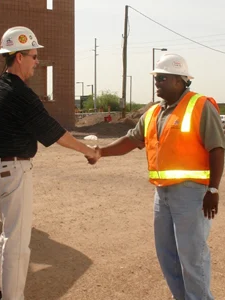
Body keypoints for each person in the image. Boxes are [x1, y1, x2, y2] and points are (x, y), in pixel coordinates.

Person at [87, 53, 225, 300]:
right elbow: (132, 140)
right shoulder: (153, 113)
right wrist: (101, 152)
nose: (156, 82)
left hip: (192, 194)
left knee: (192, 257)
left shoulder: (200, 106)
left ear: (179, 80)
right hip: (162, 194)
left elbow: (217, 148)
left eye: (161, 78)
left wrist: (213, 189)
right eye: (156, 78)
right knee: (167, 255)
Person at [0, 26, 98, 300]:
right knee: (18, 243)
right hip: (14, 171)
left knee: (9, 233)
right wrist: (88, 151)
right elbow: (54, 132)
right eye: (34, 56)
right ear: (18, 57)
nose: (37, 62)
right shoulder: (20, 94)